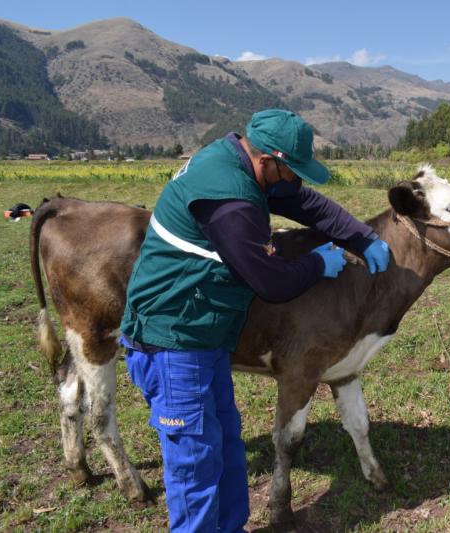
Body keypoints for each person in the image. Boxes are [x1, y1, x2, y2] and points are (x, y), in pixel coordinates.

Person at [119, 109, 390, 532]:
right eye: (291, 171)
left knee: (225, 444)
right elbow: (269, 281)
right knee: (196, 466)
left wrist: (360, 235)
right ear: (267, 161)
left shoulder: (240, 163)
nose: (294, 180)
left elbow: (303, 202)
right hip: (173, 338)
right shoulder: (232, 198)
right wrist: (318, 264)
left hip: (205, 332)